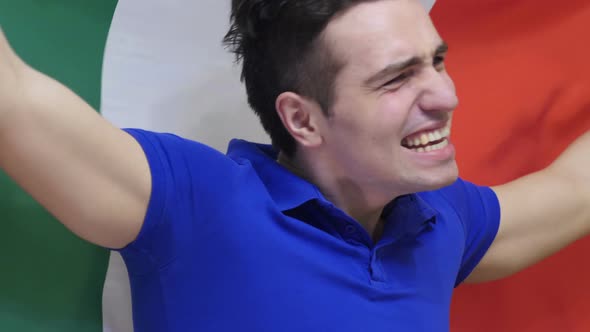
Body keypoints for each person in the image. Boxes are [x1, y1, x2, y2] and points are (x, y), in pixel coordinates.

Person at [0, 0, 588, 331]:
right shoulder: (200, 205)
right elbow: (14, 101)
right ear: (303, 120)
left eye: (436, 61)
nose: (446, 96)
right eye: (397, 78)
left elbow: (574, 185)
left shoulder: (443, 219)